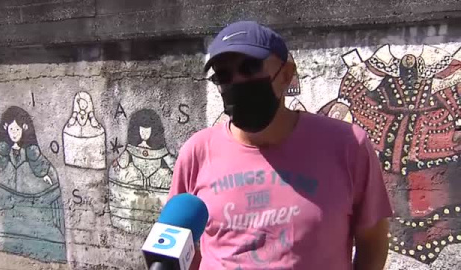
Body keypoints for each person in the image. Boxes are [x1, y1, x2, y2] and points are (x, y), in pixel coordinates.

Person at [167, 20, 393, 270]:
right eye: (224, 75)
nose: (238, 82)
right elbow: (180, 245)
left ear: (286, 74)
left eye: (250, 67)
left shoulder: (348, 145)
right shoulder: (197, 152)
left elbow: (372, 242)